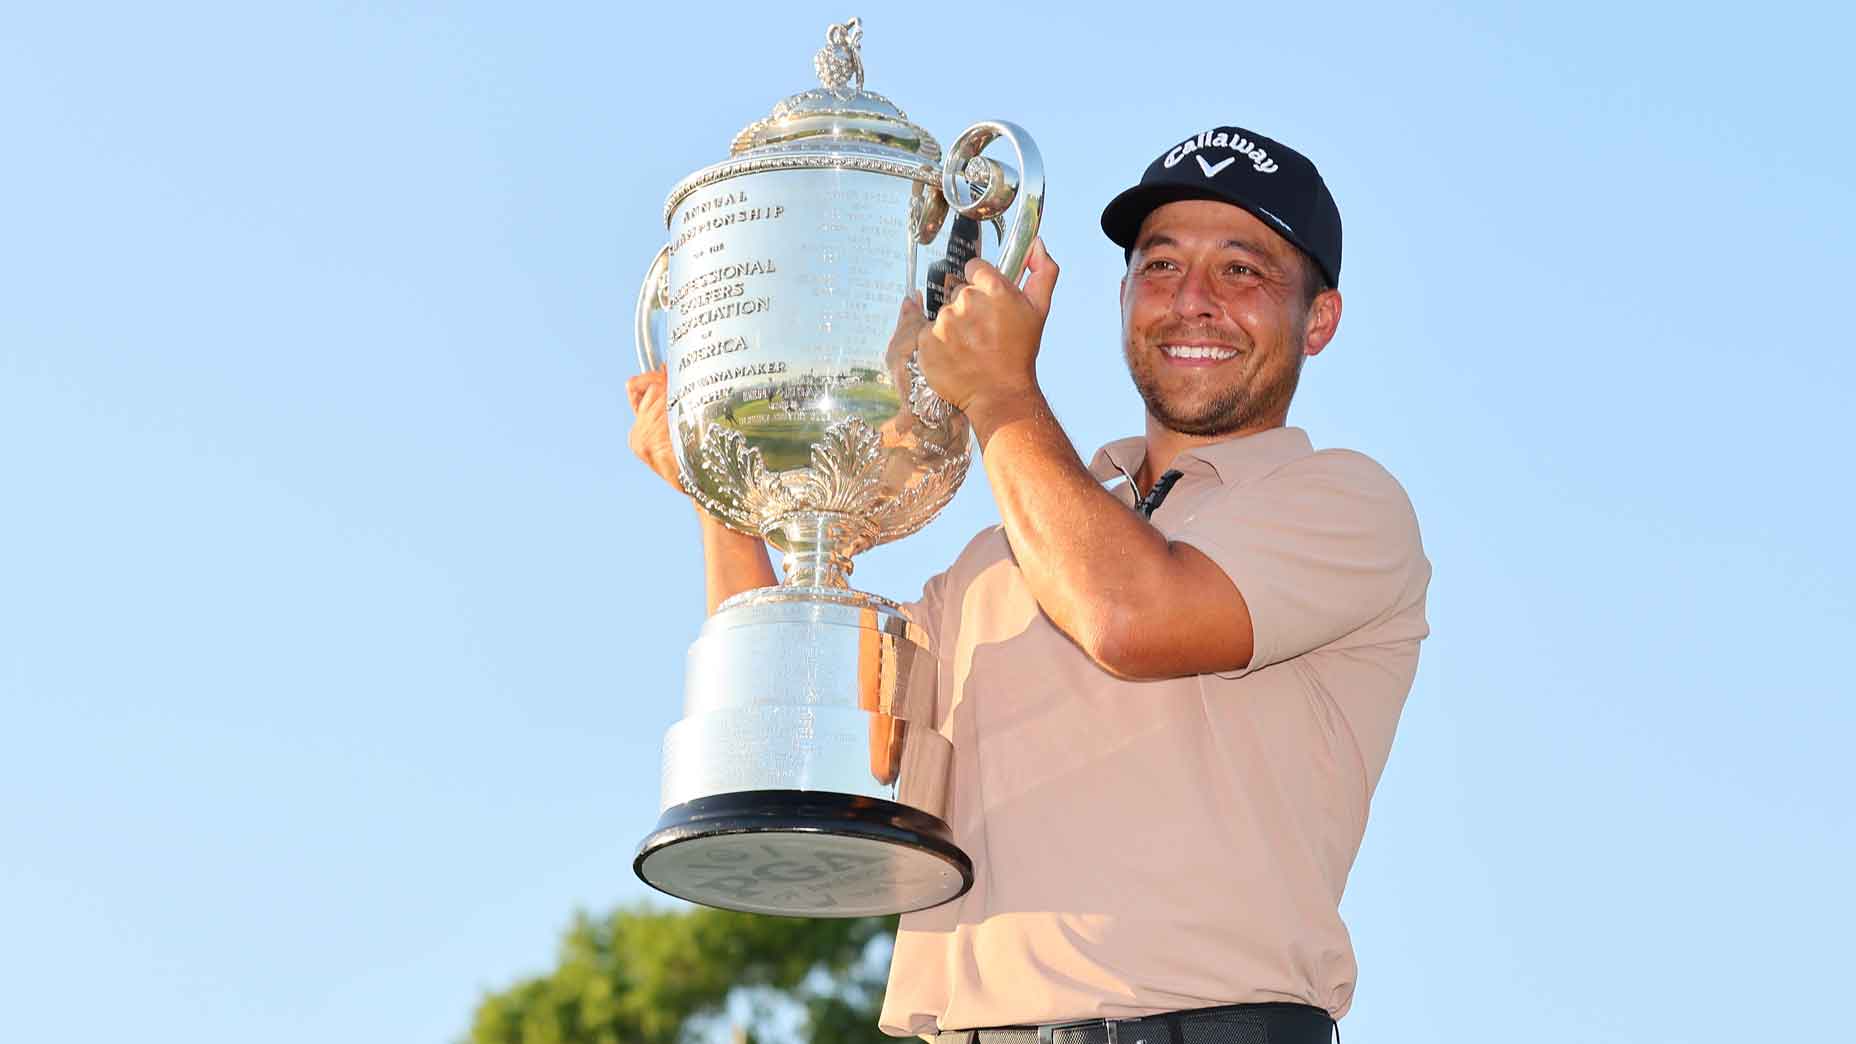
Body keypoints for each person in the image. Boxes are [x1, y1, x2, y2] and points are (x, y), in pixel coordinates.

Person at [628, 125, 1431, 1044]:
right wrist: (723, 485)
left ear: (1317, 319)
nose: (1193, 301)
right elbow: (800, 735)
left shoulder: (1346, 503)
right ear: (1125, 297)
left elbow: (1128, 615)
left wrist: (1001, 394)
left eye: (1242, 272)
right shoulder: (998, 557)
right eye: (1161, 266)